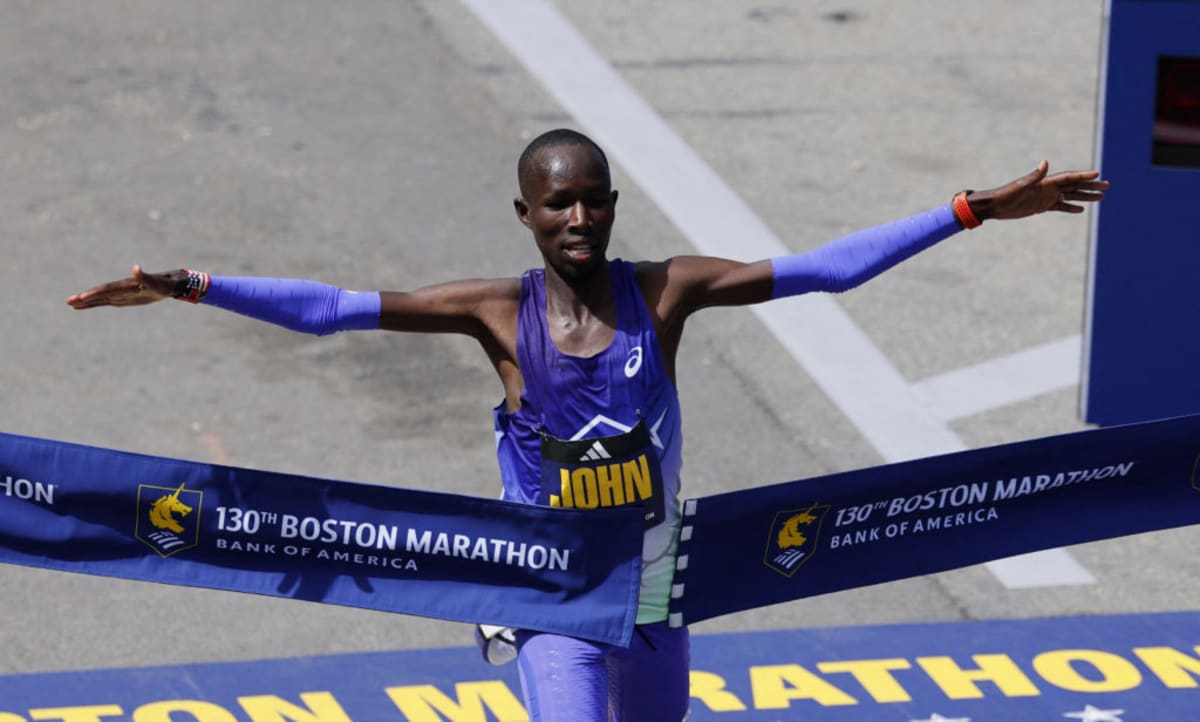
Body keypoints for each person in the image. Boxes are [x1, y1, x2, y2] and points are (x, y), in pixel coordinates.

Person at [66, 128, 1108, 722]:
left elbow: (828, 267)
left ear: (612, 204)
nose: (577, 219)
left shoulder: (667, 293)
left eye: (594, 201)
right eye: (556, 204)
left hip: (657, 588)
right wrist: (195, 285)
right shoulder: (492, 312)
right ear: (524, 212)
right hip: (553, 597)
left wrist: (971, 210)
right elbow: (335, 308)